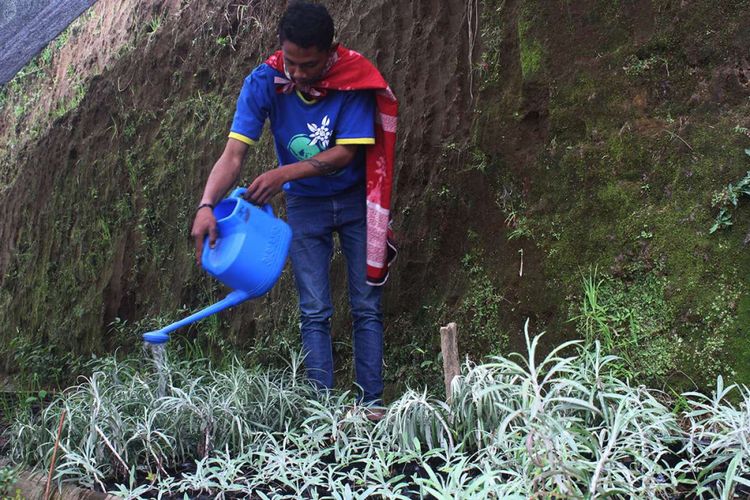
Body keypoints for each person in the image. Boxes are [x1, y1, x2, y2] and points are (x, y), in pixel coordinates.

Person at [190, 2, 397, 415]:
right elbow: (233, 155)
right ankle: (321, 411)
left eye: (309, 64)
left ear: (331, 51)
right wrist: (206, 203)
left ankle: (371, 406)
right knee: (315, 309)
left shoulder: (352, 79)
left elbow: (343, 155)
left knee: (366, 306)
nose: (298, 73)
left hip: (356, 201)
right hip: (307, 206)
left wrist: (284, 175)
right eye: (291, 61)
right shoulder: (265, 81)